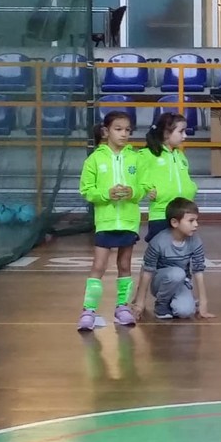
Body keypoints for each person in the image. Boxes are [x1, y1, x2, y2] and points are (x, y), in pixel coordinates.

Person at [77, 111, 144, 332]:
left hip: (128, 221)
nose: (124, 134)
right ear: (106, 131)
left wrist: (132, 191)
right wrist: (106, 194)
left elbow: (144, 186)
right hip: (105, 222)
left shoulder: (136, 158)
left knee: (125, 265)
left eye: (127, 130)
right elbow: (86, 190)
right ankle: (88, 310)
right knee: (99, 266)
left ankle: (122, 307)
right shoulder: (94, 159)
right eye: (118, 129)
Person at [130, 198, 215, 321]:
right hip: (160, 282)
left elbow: (198, 270)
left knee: (185, 312)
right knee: (177, 273)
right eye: (191, 221)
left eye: (196, 220)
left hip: (181, 282)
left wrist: (203, 303)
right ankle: (161, 304)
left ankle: (179, 302)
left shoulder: (195, 241)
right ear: (175, 222)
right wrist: (140, 303)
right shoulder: (158, 241)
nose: (196, 224)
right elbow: (147, 271)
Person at [139, 113, 197, 244]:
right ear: (166, 133)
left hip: (183, 214)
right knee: (160, 252)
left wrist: (191, 188)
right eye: (181, 131)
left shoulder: (180, 155)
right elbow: (137, 179)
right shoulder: (146, 155)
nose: (185, 136)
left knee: (182, 252)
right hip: (160, 215)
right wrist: (147, 189)